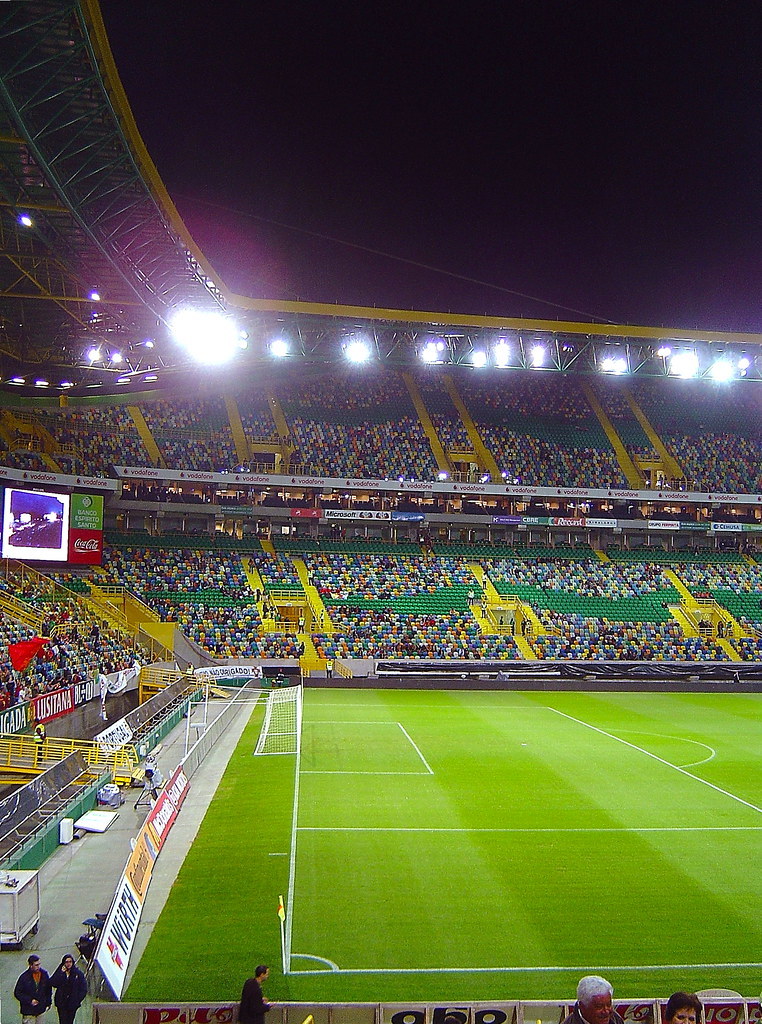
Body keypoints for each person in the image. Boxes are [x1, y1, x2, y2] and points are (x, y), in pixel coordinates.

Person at [50, 955, 87, 1024]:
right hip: (61, 1003)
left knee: (70, 1021)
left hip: (72, 1003)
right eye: (66, 962)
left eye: (70, 962)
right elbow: (53, 982)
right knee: (62, 1021)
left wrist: (77, 999)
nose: (68, 964)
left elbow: (83, 988)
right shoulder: (60, 971)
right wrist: (61, 973)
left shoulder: (78, 973)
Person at [14, 954, 52, 1024]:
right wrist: (30, 1000)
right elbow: (17, 993)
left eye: (39, 964)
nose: (39, 967)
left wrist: (48, 1002)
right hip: (28, 1011)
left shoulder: (44, 974)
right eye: (36, 965)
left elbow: (48, 989)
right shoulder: (24, 977)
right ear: (30, 965)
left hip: (40, 1010)